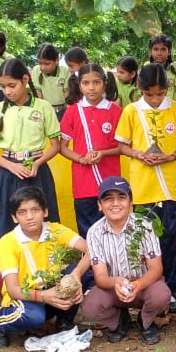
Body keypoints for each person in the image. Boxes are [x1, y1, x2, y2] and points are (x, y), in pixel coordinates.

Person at [115, 62, 176, 306]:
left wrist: (170, 157)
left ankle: (170, 288)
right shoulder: (131, 111)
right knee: (143, 239)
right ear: (140, 88)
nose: (156, 99)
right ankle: (147, 287)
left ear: (168, 88)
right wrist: (138, 154)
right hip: (142, 185)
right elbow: (122, 145)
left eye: (160, 94)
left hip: (169, 185)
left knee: (168, 236)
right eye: (150, 95)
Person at [0, 186, 91, 347]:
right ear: (14, 218)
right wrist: (44, 296)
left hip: (51, 292)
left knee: (78, 271)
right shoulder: (7, 242)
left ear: (45, 212)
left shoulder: (55, 230)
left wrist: (77, 275)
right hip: (24, 297)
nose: (30, 217)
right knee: (34, 317)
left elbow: (91, 250)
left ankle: (64, 320)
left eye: (35, 210)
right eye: (22, 212)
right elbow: (13, 290)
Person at [0, 57, 61, 257]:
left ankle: (47, 262)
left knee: (41, 218)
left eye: (12, 85)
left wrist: (38, 163)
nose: (7, 91)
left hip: (37, 171)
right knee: (5, 220)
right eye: (3, 87)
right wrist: (11, 166)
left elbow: (55, 146)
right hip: (7, 172)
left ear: (25, 80)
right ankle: (7, 265)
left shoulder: (43, 107)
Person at [81, 176, 171, 344]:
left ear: (131, 203)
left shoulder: (144, 225)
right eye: (108, 199)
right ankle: (119, 320)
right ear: (100, 205)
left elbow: (156, 269)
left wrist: (136, 285)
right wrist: (116, 282)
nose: (115, 203)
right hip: (113, 288)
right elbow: (100, 277)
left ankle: (145, 321)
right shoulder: (94, 232)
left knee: (161, 295)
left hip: (143, 285)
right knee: (89, 307)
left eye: (121, 198)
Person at [60, 64, 124, 237]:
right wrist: (81, 159)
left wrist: (103, 153)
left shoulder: (116, 111)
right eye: (86, 83)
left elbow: (123, 147)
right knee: (87, 232)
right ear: (79, 85)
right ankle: (90, 256)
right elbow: (63, 147)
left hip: (110, 181)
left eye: (96, 82)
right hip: (83, 183)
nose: (91, 87)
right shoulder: (73, 111)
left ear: (105, 83)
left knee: (114, 230)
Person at [33, 44, 70, 119]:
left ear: (56, 61)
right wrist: (42, 110)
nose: (43, 67)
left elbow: (67, 93)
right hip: (46, 110)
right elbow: (39, 94)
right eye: (40, 63)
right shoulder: (37, 70)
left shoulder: (65, 71)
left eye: (47, 64)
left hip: (63, 110)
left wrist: (68, 111)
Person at [147, 33, 176, 105]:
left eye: (163, 49)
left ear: (169, 52)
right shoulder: (146, 66)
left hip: (170, 107)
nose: (159, 53)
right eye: (156, 49)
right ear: (150, 52)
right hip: (151, 107)